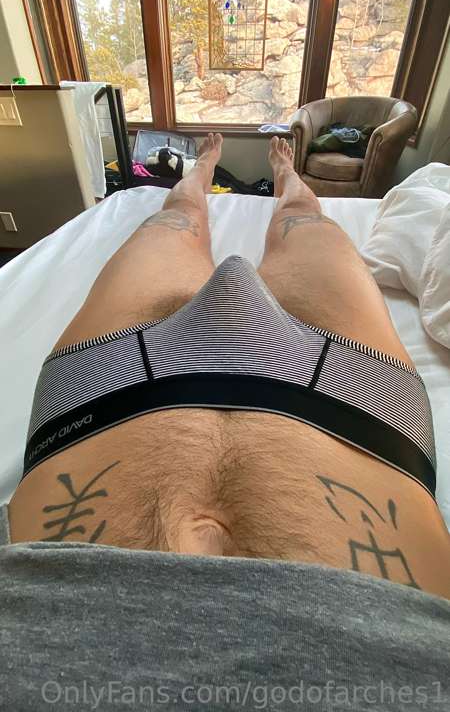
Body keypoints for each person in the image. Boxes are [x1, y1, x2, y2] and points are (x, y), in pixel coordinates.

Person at [6, 134, 450, 597]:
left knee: (291, 214)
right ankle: (203, 168)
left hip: (106, 391)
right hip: (354, 399)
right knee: (187, 214)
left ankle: (284, 174)